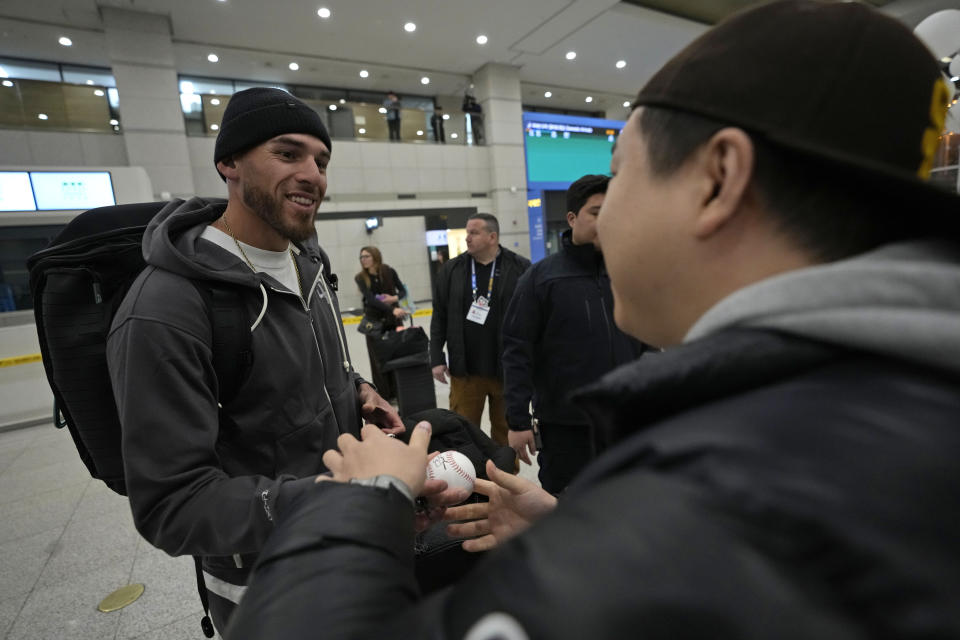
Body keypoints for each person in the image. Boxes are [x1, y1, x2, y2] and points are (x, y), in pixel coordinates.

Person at [227, 3, 960, 638]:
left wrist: (363, 504)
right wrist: (588, 544)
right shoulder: (889, 401)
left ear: (716, 180)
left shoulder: (723, 483)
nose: (606, 221)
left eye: (623, 169)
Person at [106, 87, 403, 634]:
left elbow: (305, 367)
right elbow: (172, 505)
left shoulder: (307, 260)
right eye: (288, 154)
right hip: (265, 585)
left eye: (320, 160)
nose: (313, 173)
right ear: (230, 164)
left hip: (347, 546)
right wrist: (330, 498)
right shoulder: (166, 308)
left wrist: (359, 390)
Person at [501, 174, 646, 493]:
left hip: (624, 420)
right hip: (565, 427)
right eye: (596, 213)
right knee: (566, 509)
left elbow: (647, 344)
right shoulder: (541, 279)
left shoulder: (627, 272)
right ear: (572, 218)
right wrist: (517, 421)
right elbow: (517, 351)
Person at [430, 213, 530, 446]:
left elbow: (532, 317)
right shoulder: (451, 270)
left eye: (473, 233)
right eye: (467, 233)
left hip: (507, 370)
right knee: (462, 430)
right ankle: (469, 477)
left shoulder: (520, 268)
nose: (467, 238)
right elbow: (440, 317)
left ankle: (506, 479)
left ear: (492, 236)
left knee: (505, 431)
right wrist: (436, 357)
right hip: (465, 370)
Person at [355, 245, 408, 400]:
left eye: (366, 256)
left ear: (375, 257)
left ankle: (399, 392)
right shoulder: (360, 278)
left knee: (396, 355)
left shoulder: (389, 271)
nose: (363, 260)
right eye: (361, 257)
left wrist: (394, 299)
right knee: (378, 360)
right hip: (374, 322)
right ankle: (385, 394)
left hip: (393, 321)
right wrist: (392, 309)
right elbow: (371, 299)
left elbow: (403, 291)